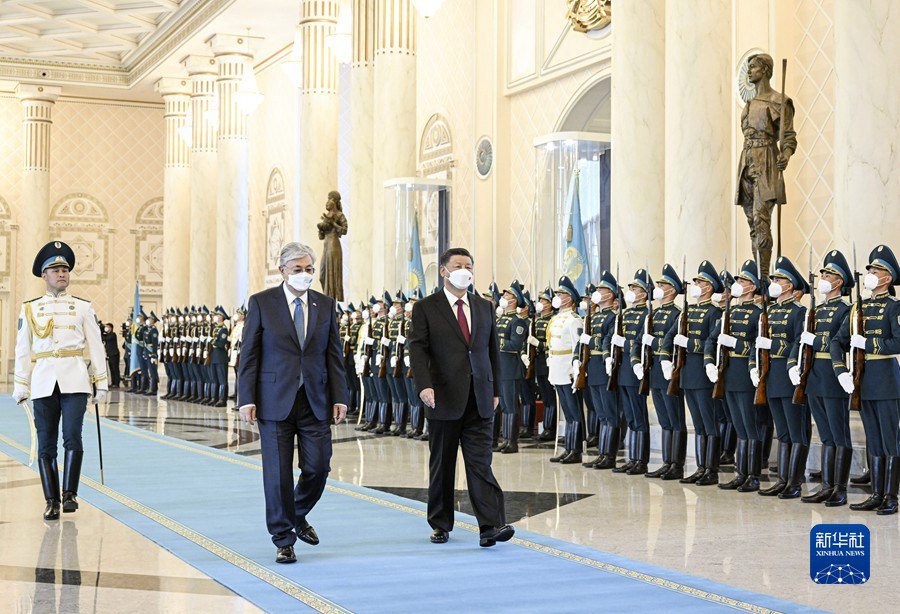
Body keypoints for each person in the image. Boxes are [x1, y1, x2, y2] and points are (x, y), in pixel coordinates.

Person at [238, 242, 349, 563]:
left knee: (318, 466)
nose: (304, 275)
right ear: (282, 271)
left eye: (309, 269)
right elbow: (250, 355)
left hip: (315, 399)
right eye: (298, 269)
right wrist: (246, 398)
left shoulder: (325, 305)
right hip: (273, 400)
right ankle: (283, 537)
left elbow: (334, 355)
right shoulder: (262, 303)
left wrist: (340, 396)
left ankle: (296, 513)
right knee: (277, 473)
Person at [408, 247, 513, 547]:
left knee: (480, 463)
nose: (464, 270)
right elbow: (418, 349)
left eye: (469, 265)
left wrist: (495, 391)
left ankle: (490, 526)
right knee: (443, 463)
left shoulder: (483, 306)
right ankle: (441, 523)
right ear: (444, 270)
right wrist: (423, 385)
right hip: (441, 396)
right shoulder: (427, 307)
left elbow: (492, 350)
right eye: (458, 265)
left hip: (479, 396)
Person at [12, 241, 109, 520]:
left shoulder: (82, 307)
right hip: (43, 381)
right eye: (55, 270)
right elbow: (22, 349)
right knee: (45, 443)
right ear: (44, 275)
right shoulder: (30, 309)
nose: (62, 274)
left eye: (65, 269)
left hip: (75, 380)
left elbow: (96, 345)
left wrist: (100, 382)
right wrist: (21, 385)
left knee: (73, 438)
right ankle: (51, 500)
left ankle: (70, 495)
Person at [830, 244, 900, 515]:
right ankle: (877, 493)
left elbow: (897, 341)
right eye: (870, 268)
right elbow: (838, 340)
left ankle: (891, 496)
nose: (871, 273)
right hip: (863, 379)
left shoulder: (894, 307)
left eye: (877, 269)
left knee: (889, 439)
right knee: (873, 439)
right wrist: (840, 370)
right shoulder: (858, 308)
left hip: (886, 379)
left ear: (888, 277)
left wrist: (868, 343)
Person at [795, 250, 852, 505]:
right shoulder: (815, 310)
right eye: (824, 273)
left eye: (829, 274)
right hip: (815, 375)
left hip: (833, 375)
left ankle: (840, 488)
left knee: (840, 435)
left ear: (839, 281)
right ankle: (826, 486)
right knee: (826, 435)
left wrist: (815, 339)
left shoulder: (846, 310)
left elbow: (841, 340)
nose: (824, 278)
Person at [754, 256, 809, 498]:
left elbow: (799, 343)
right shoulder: (769, 310)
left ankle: (795, 481)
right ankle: (783, 480)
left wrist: (777, 349)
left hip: (790, 374)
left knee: (797, 430)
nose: (774, 282)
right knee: (783, 430)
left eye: (779, 279)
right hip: (772, 375)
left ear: (790, 285)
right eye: (774, 278)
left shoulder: (799, 312)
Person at [707, 260, 764, 492]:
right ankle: (741, 473)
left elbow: (758, 346)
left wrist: (737, 344)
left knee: (751, 426)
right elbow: (712, 339)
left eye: (742, 280)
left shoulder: (759, 314)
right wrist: (709, 362)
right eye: (738, 280)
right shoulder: (728, 312)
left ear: (752, 287)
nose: (737, 284)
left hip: (746, 375)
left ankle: (753, 475)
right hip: (728, 375)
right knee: (739, 426)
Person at [102, 322, 121, 388]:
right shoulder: (107, 335)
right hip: (109, 354)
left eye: (107, 327)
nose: (106, 328)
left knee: (115, 369)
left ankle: (116, 383)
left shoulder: (113, 334)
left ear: (111, 328)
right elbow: (102, 338)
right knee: (111, 369)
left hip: (114, 354)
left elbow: (106, 339)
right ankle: (113, 383)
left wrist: (101, 331)